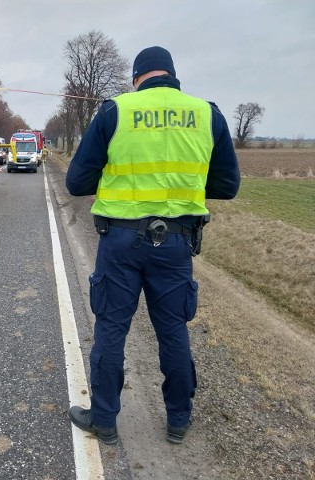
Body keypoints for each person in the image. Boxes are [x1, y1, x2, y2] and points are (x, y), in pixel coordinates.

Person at [65, 46, 240, 445]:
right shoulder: (207, 113)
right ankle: (179, 419)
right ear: (172, 76)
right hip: (177, 241)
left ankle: (104, 419)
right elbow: (228, 186)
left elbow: (76, 183)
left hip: (120, 241)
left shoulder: (115, 111)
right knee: (173, 330)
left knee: (112, 329)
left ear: (136, 78)